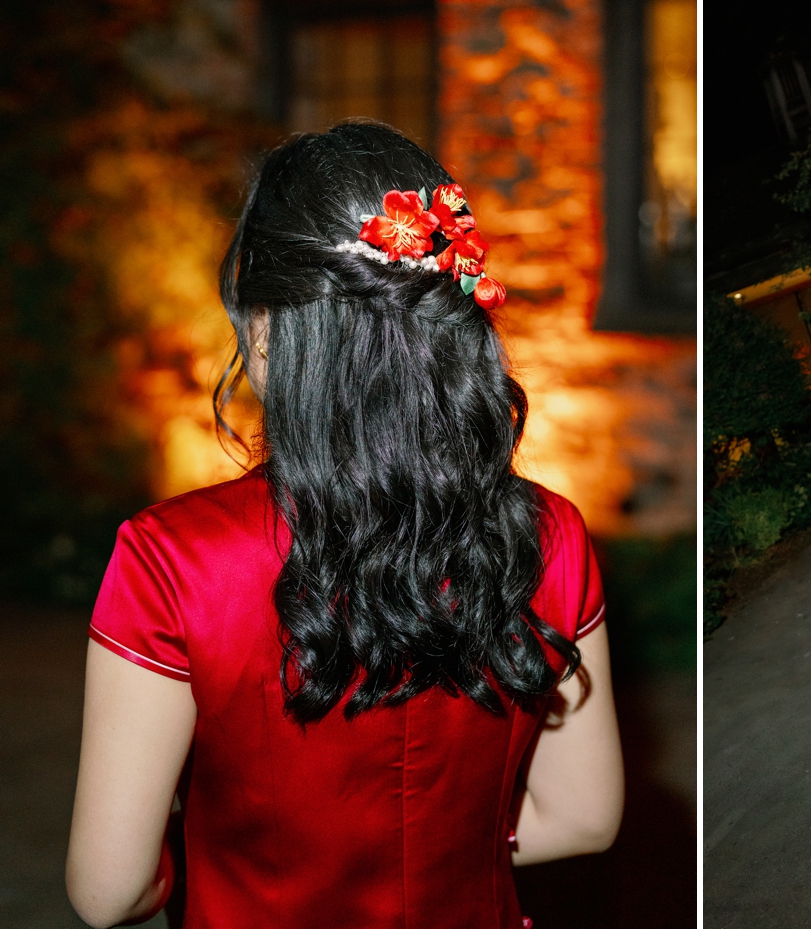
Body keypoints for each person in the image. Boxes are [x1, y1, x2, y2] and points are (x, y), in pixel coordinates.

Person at [66, 123, 625, 928]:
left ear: (264, 326)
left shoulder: (170, 560)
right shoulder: (552, 535)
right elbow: (583, 816)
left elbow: (108, 888)